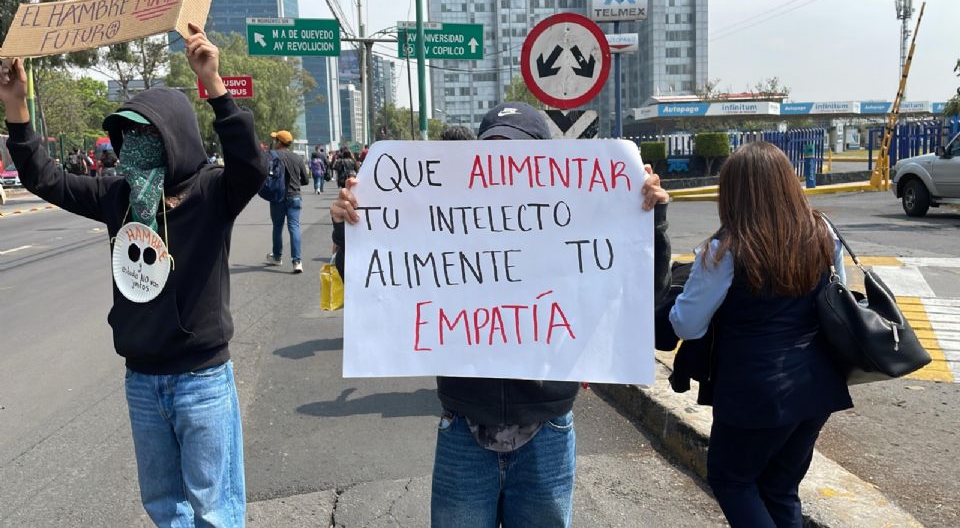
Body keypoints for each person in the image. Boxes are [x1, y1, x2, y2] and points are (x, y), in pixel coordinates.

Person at [331, 103, 672, 527]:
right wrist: (352, 230)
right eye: (493, 153)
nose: (505, 165)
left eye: (517, 154)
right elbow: (380, 287)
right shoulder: (448, 221)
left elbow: (642, 297)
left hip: (546, 431)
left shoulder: (576, 220)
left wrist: (649, 222)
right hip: (464, 428)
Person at [1, 24, 265, 527]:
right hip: (143, 381)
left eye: (148, 136)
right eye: (128, 136)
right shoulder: (118, 198)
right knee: (165, 509)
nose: (135, 149)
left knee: (216, 511)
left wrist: (213, 85)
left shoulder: (212, 193)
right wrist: (17, 108)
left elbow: (250, 165)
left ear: (176, 139)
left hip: (201, 379)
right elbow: (45, 178)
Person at [668, 141, 852, 528]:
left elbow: (687, 324)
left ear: (733, 193)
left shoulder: (725, 250)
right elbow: (838, 301)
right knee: (780, 487)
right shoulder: (823, 232)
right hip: (818, 385)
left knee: (732, 479)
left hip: (754, 392)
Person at [264, 129, 310, 274]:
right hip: (295, 197)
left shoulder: (272, 155)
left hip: (278, 197)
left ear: (279, 142)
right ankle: (297, 262)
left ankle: (277, 257)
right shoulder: (297, 157)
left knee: (277, 227)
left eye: (275, 140)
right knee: (294, 227)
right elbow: (306, 180)